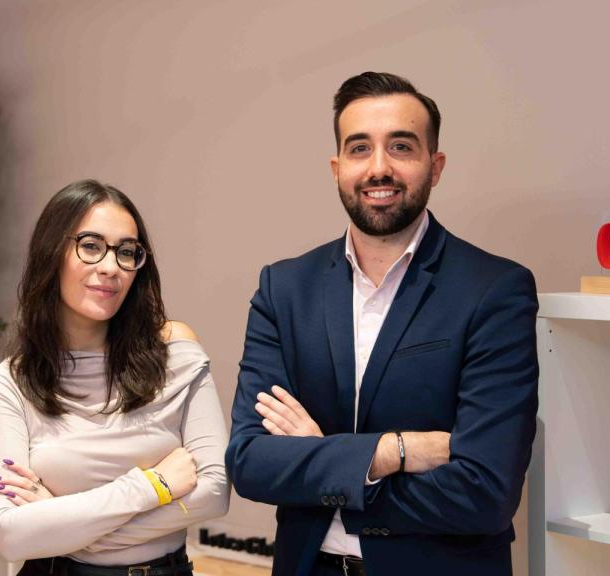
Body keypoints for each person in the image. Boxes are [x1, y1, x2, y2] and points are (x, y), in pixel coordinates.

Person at [225, 72, 539, 576]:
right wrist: (396, 450)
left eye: (401, 147)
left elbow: (485, 491)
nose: (379, 168)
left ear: (434, 167)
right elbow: (250, 463)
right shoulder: (284, 289)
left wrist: (323, 465)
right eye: (359, 148)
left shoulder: (494, 290)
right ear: (336, 168)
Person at [0, 179, 229, 576]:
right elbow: (10, 535)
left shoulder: (176, 354)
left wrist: (57, 522)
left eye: (127, 252)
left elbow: (214, 493)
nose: (111, 267)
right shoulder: (6, 387)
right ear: (52, 253)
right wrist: (153, 487)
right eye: (91, 246)